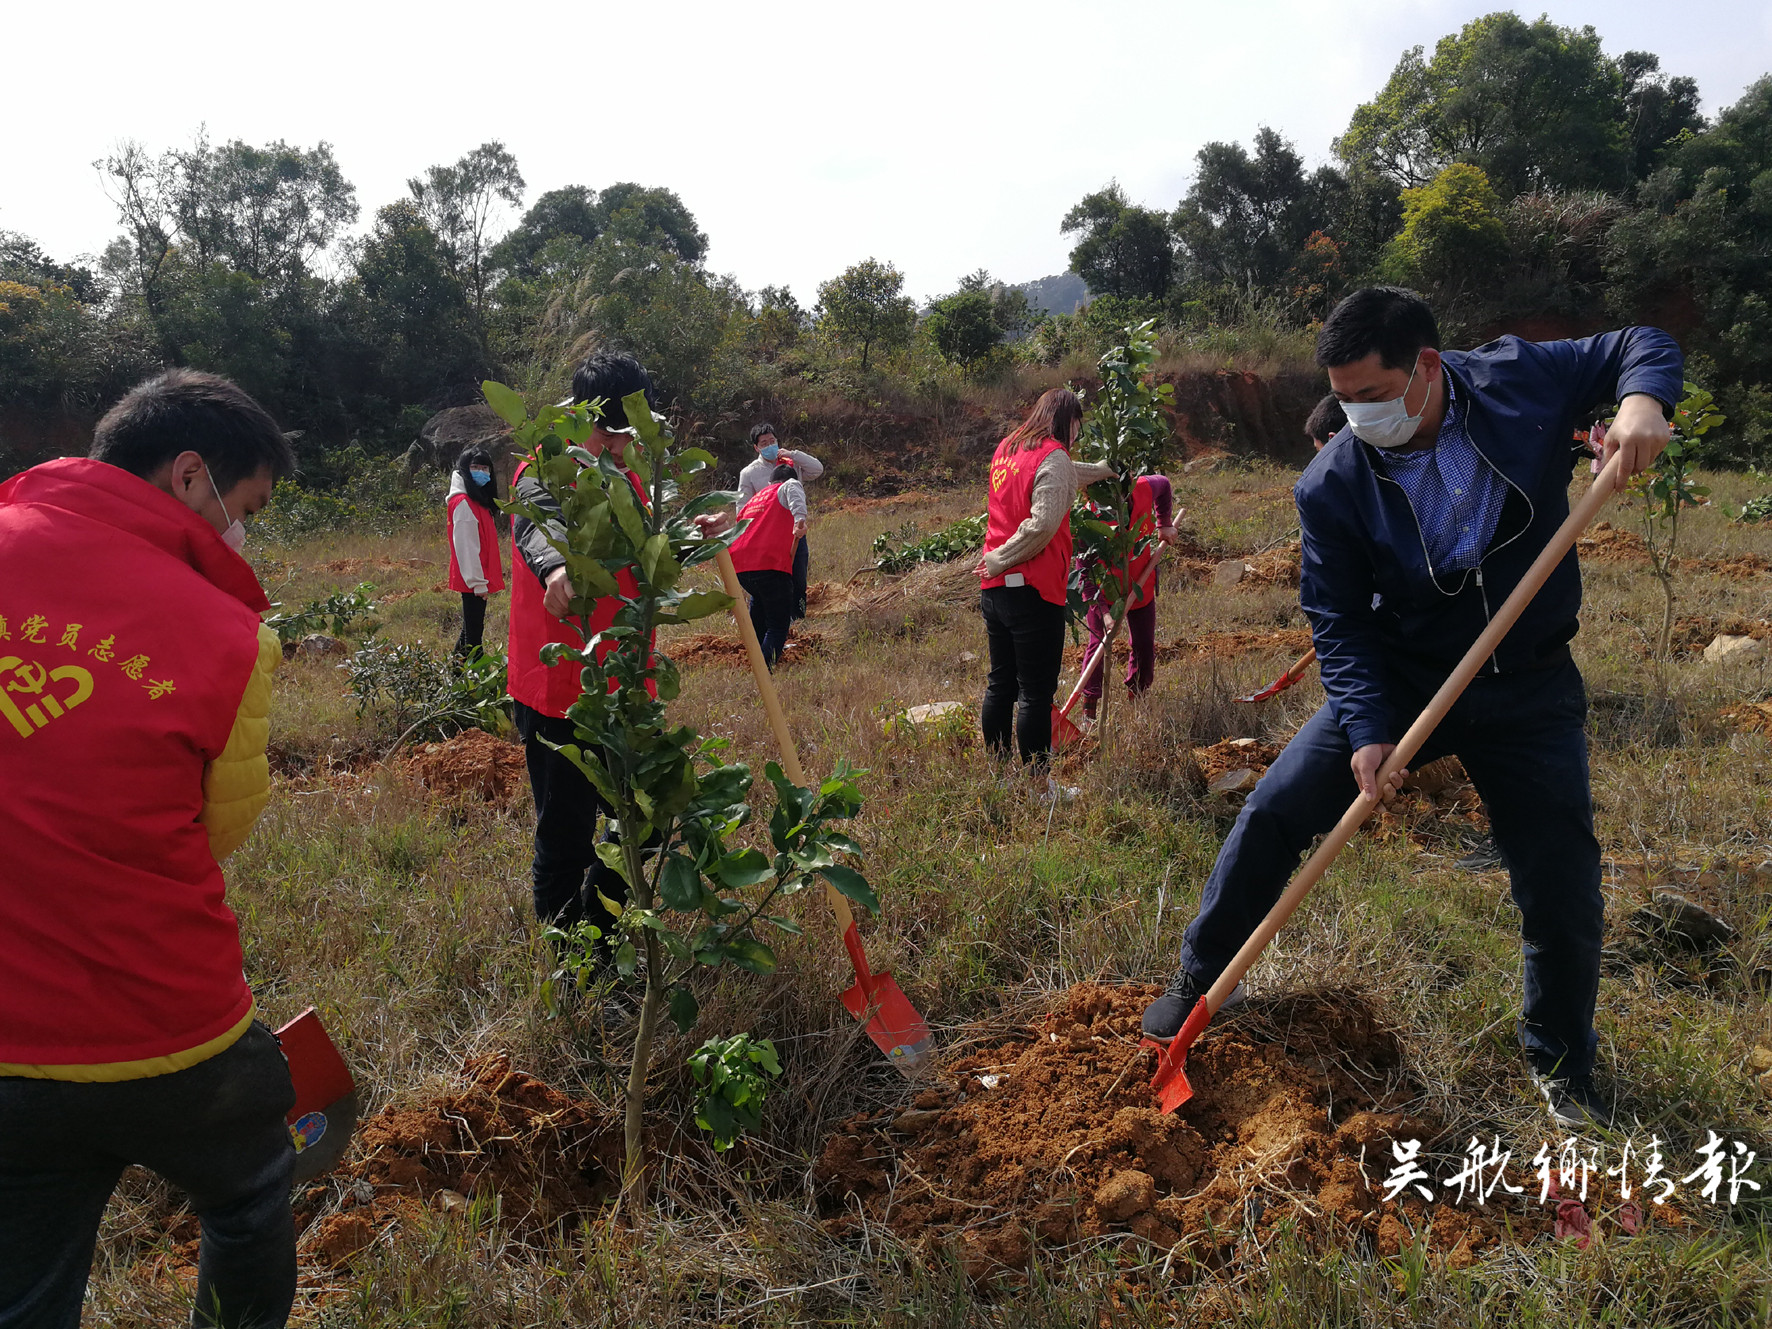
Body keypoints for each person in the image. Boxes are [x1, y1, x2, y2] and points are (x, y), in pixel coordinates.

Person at [1140, 287, 1681, 1130]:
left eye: (1370, 395)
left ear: (1426, 367)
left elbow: (1637, 341)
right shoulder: (1332, 484)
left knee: (1559, 877)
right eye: (1343, 400)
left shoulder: (1514, 379)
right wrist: (1366, 730)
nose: (1356, 415)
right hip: (1408, 677)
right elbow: (1339, 620)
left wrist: (1643, 401)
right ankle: (1201, 979)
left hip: (1527, 681)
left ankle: (1563, 1064)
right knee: (1278, 808)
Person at [0, 369, 297, 1328]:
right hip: (172, 1028)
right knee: (250, 1194)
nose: (241, 534)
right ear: (188, 476)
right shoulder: (228, 634)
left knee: (26, 1282)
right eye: (243, 507)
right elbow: (222, 828)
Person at [509, 352, 656, 942]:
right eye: (611, 432)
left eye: (625, 434)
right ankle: (573, 969)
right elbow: (537, 523)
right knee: (565, 834)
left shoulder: (628, 475)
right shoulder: (541, 470)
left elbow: (646, 547)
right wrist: (553, 570)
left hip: (624, 683)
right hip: (561, 692)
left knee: (637, 822)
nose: (619, 444)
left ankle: (597, 933)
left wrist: (691, 533)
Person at [975, 387, 1088, 768]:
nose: (1078, 436)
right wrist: (1000, 559)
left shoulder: (1007, 448)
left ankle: (997, 770)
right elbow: (1042, 525)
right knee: (1036, 693)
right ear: (1069, 421)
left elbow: (1061, 477)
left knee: (1001, 683)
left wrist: (1106, 470)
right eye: (1078, 427)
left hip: (995, 593)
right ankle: (1039, 783)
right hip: (1032, 589)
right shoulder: (1054, 456)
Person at [1077, 470, 1184, 720]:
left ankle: (1138, 698)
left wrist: (1164, 523)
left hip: (1141, 583)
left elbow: (1165, 485)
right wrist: (1104, 614)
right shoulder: (1088, 519)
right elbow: (1085, 575)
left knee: (1144, 645)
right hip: (1105, 591)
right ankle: (1089, 713)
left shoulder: (1143, 487)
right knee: (1098, 645)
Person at [737, 423, 822, 619]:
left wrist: (793, 454)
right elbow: (742, 508)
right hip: (768, 538)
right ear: (756, 448)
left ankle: (797, 617)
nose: (770, 446)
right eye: (764, 443)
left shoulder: (791, 463)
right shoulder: (749, 473)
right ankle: (770, 619)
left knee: (798, 578)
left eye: (773, 441)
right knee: (772, 580)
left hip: (795, 531)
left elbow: (817, 469)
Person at [729, 461, 808, 667]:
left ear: (770, 481)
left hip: (741, 568)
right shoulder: (787, 486)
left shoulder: (755, 499)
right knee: (777, 625)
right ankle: (763, 669)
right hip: (769, 566)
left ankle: (753, 658)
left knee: (760, 610)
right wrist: (800, 521)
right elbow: (793, 487)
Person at [446, 446, 505, 659]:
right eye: (474, 467)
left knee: (469, 630)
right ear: (464, 470)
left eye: (484, 467)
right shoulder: (463, 502)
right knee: (474, 636)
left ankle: (455, 677)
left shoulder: (476, 500)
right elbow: (466, 546)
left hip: (477, 578)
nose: (481, 471)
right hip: (473, 580)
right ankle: (474, 681)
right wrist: (477, 582)